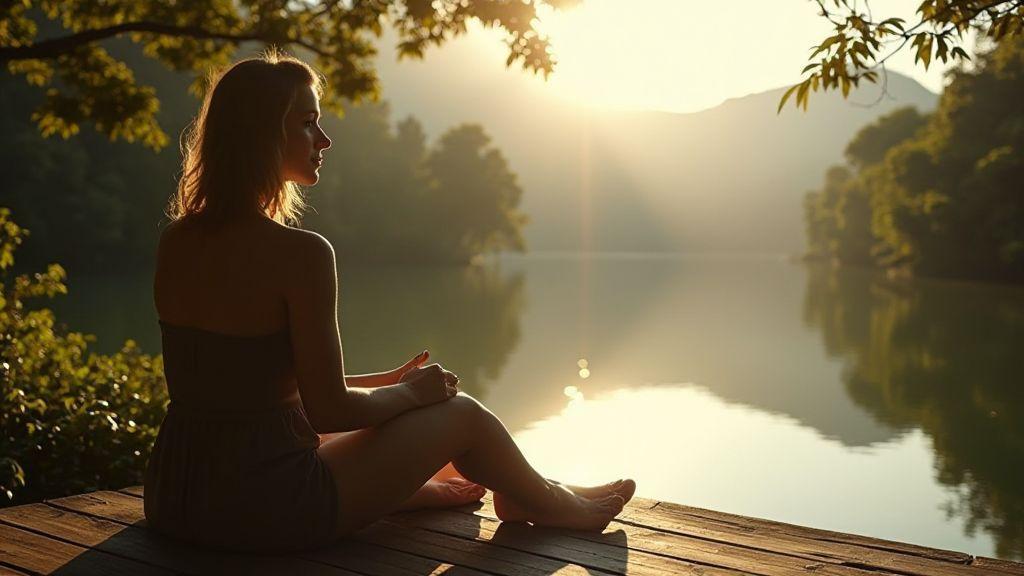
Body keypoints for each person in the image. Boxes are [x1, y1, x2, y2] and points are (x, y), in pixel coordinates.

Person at [143, 49, 635, 553]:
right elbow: (329, 410)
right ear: (262, 134)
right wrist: (414, 395)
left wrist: (388, 386)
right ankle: (544, 500)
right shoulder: (301, 254)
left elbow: (248, 391)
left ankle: (521, 488)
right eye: (308, 123)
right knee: (461, 416)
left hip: (178, 496)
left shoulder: (177, 241)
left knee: (427, 443)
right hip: (262, 509)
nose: (325, 139)